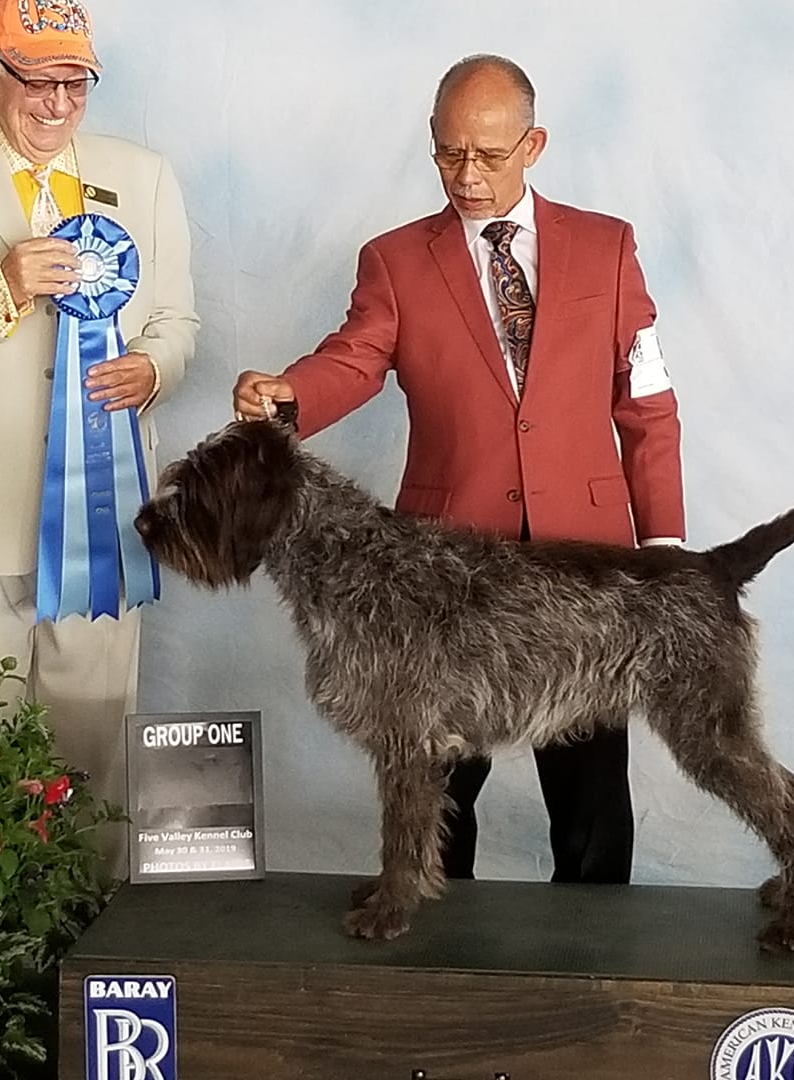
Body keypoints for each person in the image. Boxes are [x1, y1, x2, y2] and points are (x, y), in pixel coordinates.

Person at [233, 54, 684, 885]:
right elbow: (354, 358)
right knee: (435, 789)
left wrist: (662, 549)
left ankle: (594, 950)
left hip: (584, 571)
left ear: (533, 146)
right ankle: (438, 946)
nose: (467, 176)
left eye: (489, 155)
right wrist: (289, 394)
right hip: (442, 577)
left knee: (590, 795)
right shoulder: (396, 260)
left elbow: (647, 405)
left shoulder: (608, 247)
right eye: (448, 154)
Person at [0, 0, 199, 828]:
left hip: (105, 514)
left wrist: (153, 369)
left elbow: (176, 322)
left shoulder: (145, 175)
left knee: (93, 750)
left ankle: (88, 908)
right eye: (37, 82)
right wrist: (1, 287)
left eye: (76, 84)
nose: (57, 104)